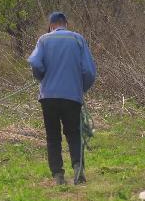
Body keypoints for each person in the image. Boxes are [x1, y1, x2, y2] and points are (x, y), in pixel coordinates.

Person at [28, 11, 97, 185]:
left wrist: (41, 76)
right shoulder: (77, 39)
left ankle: (58, 175)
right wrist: (81, 88)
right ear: (65, 23)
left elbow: (35, 62)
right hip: (72, 96)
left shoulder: (43, 40)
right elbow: (89, 71)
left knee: (53, 136)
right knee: (73, 133)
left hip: (48, 97)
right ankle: (78, 168)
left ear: (51, 25)